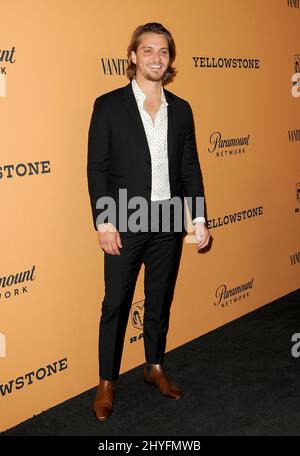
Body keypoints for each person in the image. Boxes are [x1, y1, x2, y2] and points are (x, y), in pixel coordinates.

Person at [87, 22, 211, 421]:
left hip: (169, 218)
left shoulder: (183, 108)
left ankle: (154, 365)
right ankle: (107, 382)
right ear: (133, 56)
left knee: (159, 299)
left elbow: (190, 167)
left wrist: (199, 218)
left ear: (169, 60)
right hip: (125, 219)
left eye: (163, 52)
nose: (157, 58)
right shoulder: (108, 105)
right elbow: (97, 169)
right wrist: (105, 223)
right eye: (149, 50)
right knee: (116, 304)